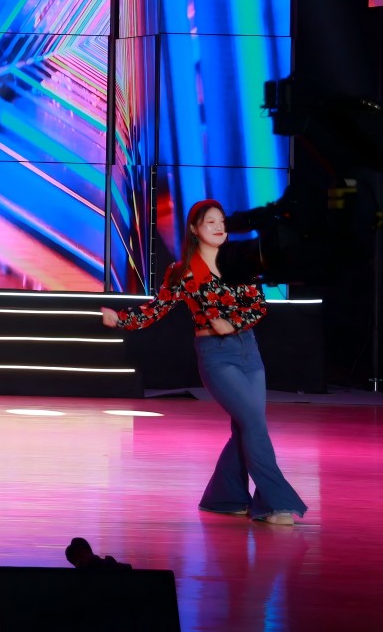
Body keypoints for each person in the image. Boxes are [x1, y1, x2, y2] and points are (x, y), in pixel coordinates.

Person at [102, 199, 306, 524]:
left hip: (249, 352)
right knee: (254, 424)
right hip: (216, 357)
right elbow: (155, 310)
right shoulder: (182, 271)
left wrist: (232, 324)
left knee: (246, 426)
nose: (219, 227)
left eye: (222, 221)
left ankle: (224, 498)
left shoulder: (238, 263)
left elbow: (258, 306)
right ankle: (275, 503)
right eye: (210, 222)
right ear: (195, 229)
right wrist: (121, 319)